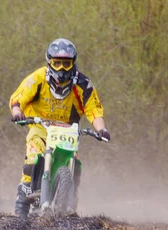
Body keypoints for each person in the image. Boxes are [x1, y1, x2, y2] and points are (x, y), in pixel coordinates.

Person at [9, 38, 110, 217]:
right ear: (49, 62)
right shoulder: (38, 78)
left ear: (73, 63)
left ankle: (71, 199)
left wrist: (101, 129)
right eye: (57, 63)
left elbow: (94, 109)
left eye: (66, 64)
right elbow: (18, 98)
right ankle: (20, 209)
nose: (61, 69)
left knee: (75, 163)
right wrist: (17, 112)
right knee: (32, 160)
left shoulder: (83, 84)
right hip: (41, 127)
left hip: (68, 131)